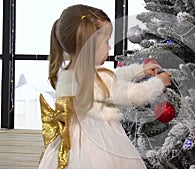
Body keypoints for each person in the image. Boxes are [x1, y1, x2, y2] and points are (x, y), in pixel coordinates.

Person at [38, 4, 171, 169]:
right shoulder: (96, 79)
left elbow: (112, 79)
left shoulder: (68, 74)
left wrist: (140, 71)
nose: (109, 47)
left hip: (72, 141)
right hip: (100, 144)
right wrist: (160, 82)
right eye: (106, 42)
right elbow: (135, 95)